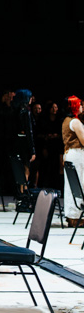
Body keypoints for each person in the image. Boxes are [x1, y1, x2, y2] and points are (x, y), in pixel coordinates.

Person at [62, 95, 84, 228]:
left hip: (70, 154)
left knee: (71, 186)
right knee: (79, 185)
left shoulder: (66, 120)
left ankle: (72, 216)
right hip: (77, 155)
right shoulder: (75, 122)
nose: (82, 107)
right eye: (80, 104)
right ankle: (78, 217)